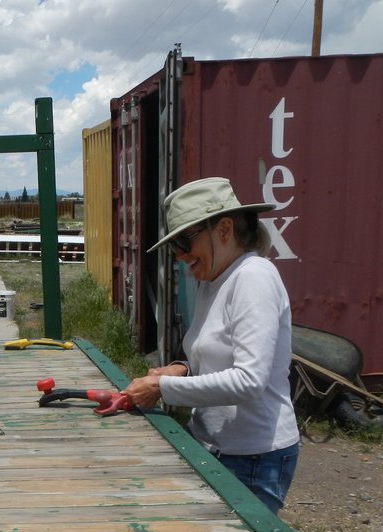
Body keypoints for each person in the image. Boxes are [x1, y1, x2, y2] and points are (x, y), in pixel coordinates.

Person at [122, 177, 299, 514]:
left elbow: (249, 381)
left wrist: (163, 386)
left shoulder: (253, 277)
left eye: (185, 241)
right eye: (175, 245)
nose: (180, 255)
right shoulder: (212, 281)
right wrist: (183, 369)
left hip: (253, 456)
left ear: (224, 229)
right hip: (211, 443)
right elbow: (218, 360)